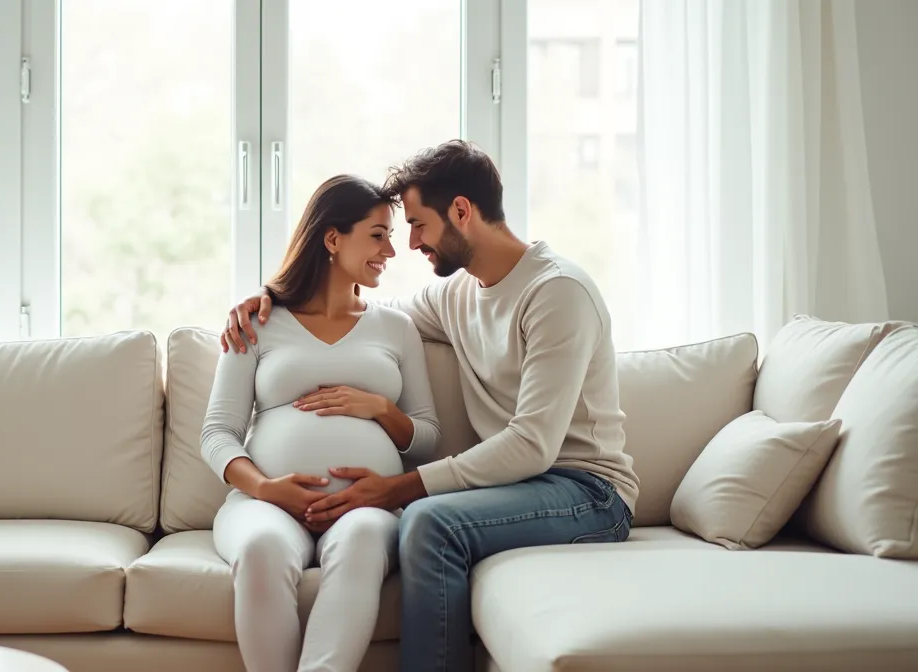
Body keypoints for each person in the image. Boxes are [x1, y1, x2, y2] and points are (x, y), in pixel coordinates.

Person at [220, 140, 640, 672]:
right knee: (422, 519)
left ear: (461, 212)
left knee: (429, 523)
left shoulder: (556, 292)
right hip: (519, 487)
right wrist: (268, 296)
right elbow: (356, 319)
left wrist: (396, 488)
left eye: (418, 225)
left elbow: (533, 446)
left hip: (585, 490)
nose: (410, 244)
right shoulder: (458, 294)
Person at [200, 174, 441, 672]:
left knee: (360, 544)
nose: (391, 252)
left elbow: (427, 437)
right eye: (377, 235)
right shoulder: (258, 322)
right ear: (333, 238)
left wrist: (380, 408)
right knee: (263, 547)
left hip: (366, 507)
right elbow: (217, 433)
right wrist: (268, 489)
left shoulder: (396, 328)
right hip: (264, 505)